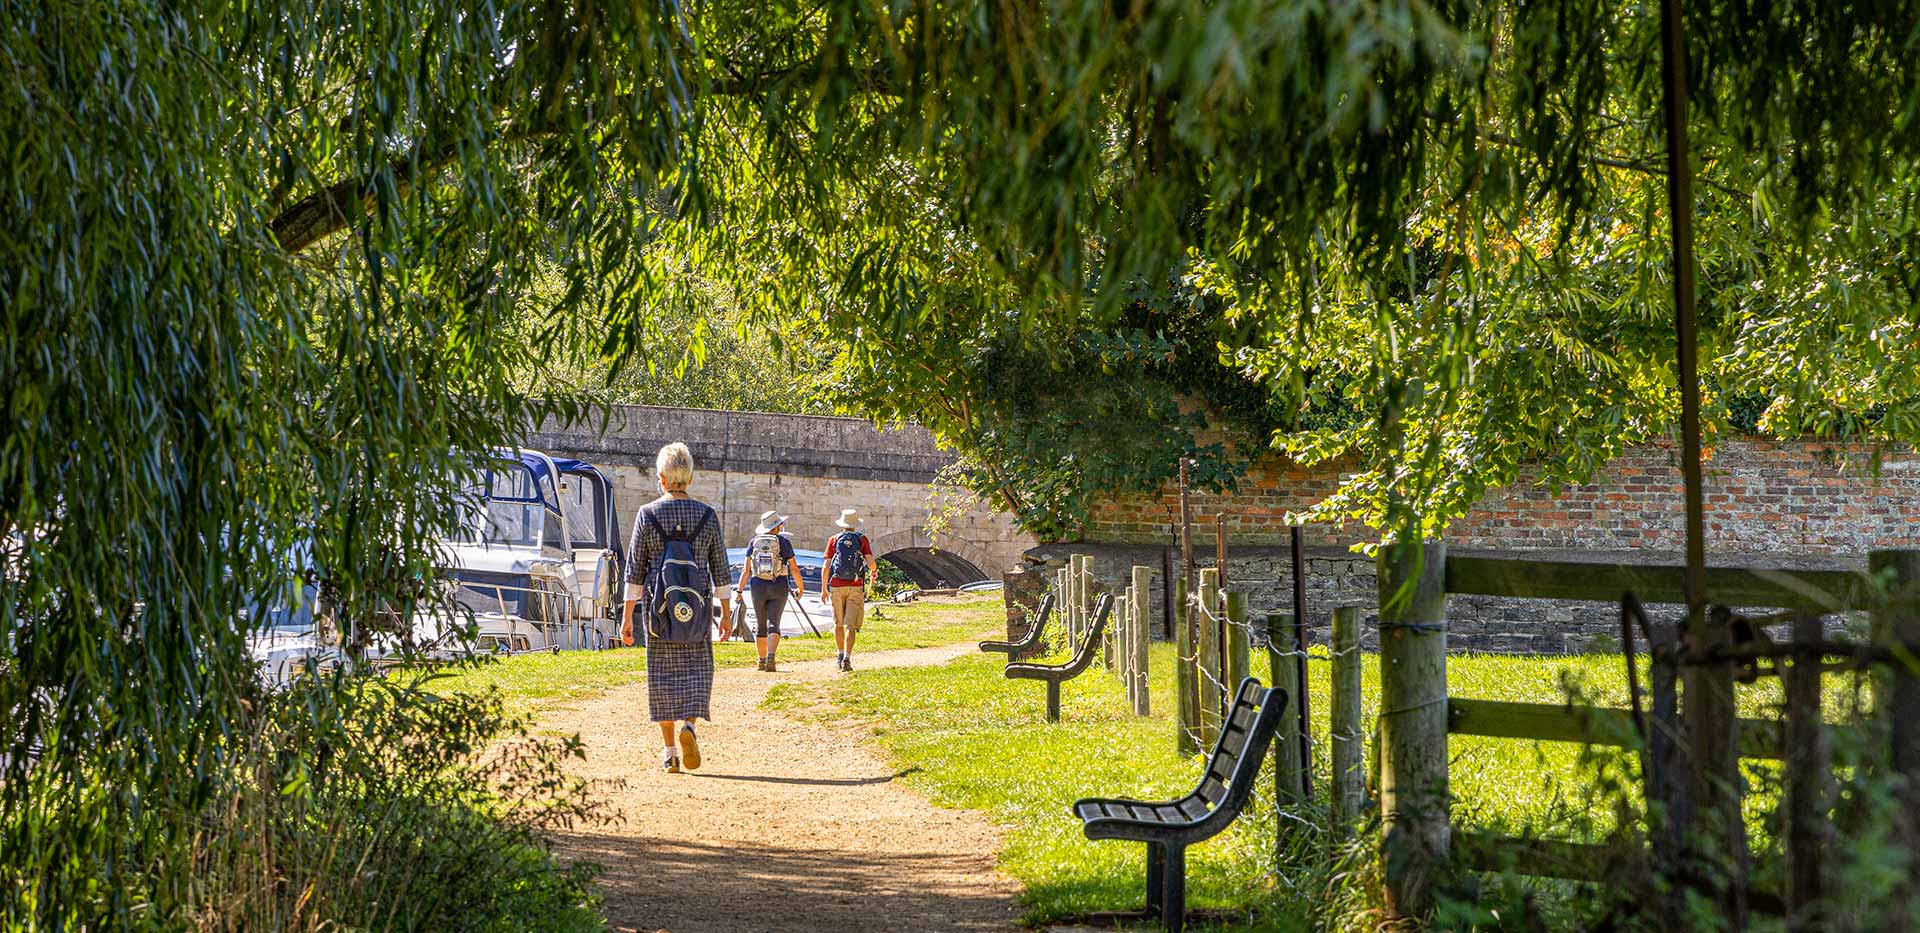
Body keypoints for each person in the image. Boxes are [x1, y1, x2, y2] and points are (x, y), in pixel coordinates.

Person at [622, 442, 730, 774]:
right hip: (696, 608)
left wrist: (627, 618)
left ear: (662, 478)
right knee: (698, 671)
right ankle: (691, 727)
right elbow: (721, 568)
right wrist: (725, 612)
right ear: (691, 478)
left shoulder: (647, 514)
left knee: (662, 677)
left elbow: (635, 570)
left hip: (659, 609)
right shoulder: (707, 516)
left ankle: (670, 752)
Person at [735, 510, 804, 672]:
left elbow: (746, 570)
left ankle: (761, 660)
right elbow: (794, 568)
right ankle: (771, 657)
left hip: (758, 585)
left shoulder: (753, 542)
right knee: (774, 622)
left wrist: (739, 591)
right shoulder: (783, 542)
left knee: (760, 624)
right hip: (779, 584)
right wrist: (800, 587)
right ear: (777, 527)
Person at [822, 508, 876, 672]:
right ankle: (847, 658)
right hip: (855, 586)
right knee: (850, 626)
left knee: (838, 624)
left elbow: (826, 566)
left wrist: (824, 589)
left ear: (842, 524)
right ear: (855, 524)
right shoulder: (861, 539)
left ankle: (839, 655)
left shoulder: (833, 539)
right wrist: (874, 571)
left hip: (836, 586)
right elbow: (870, 562)